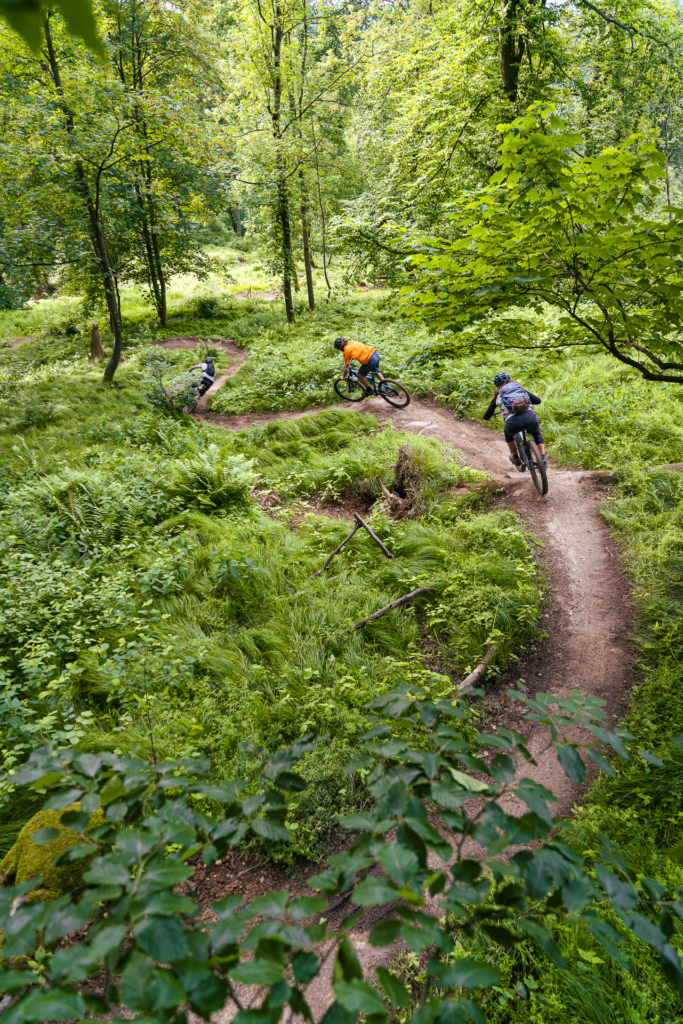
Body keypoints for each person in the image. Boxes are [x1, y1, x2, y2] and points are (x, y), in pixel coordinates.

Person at [483, 371, 548, 470]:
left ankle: (516, 458)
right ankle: (543, 459)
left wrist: (490, 414)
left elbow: (486, 416)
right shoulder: (519, 389)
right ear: (509, 381)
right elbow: (538, 401)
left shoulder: (498, 396)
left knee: (508, 433)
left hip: (513, 423)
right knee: (536, 433)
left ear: (497, 386)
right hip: (530, 417)